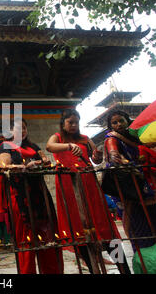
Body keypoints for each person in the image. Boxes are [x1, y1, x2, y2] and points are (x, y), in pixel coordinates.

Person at [46, 109, 131, 274]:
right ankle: (93, 268)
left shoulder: (85, 139)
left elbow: (95, 158)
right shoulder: (58, 137)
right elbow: (50, 146)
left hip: (88, 183)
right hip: (68, 186)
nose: (74, 125)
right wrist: (69, 146)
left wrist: (97, 156)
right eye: (70, 122)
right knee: (77, 226)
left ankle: (124, 268)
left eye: (76, 122)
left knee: (102, 222)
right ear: (63, 123)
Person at [0, 118, 63, 274]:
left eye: (24, 128)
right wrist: (25, 167)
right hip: (20, 196)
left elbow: (45, 160)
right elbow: (4, 166)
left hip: (40, 194)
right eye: (17, 128)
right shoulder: (5, 146)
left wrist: (47, 163)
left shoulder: (33, 146)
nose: (22, 131)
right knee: (26, 240)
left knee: (48, 236)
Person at [103, 110, 156, 251]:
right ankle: (144, 254)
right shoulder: (112, 138)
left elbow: (150, 146)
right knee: (136, 220)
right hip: (125, 183)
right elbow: (113, 154)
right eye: (114, 123)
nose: (118, 124)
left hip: (140, 180)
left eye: (121, 120)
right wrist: (117, 156)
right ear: (110, 126)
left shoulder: (134, 139)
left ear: (127, 121)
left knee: (153, 217)